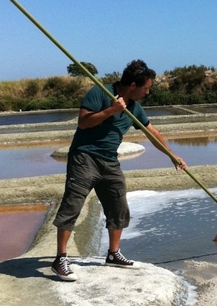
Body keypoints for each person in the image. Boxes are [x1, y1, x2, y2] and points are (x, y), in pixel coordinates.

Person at [51, 59, 187, 281]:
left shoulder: (135, 107)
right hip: (84, 157)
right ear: (133, 85)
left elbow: (152, 131)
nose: (148, 92)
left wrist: (171, 155)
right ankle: (60, 260)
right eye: (146, 88)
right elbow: (84, 123)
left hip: (109, 161)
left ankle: (113, 254)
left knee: (118, 206)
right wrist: (111, 110)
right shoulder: (100, 93)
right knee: (72, 205)